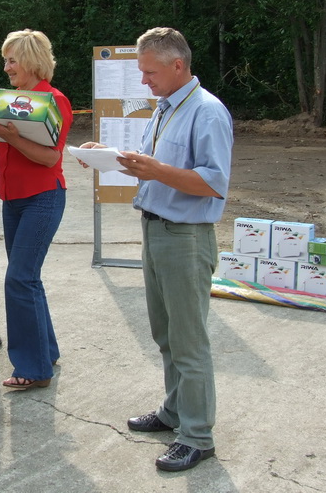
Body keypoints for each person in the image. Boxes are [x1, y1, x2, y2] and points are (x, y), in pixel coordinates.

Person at [79, 27, 233, 472]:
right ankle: (174, 411)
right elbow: (153, 166)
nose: (143, 80)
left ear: (177, 66)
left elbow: (213, 183)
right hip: (157, 232)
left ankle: (198, 436)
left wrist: (157, 170)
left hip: (186, 238)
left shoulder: (207, 112)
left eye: (150, 72)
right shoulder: (165, 108)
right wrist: (109, 155)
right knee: (165, 335)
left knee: (189, 343)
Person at [0, 29, 73, 390]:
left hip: (43, 198)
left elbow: (49, 158)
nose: (6, 67)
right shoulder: (14, 101)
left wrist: (11, 137)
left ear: (31, 61)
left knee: (19, 279)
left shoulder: (54, 101)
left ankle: (33, 369)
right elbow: (15, 156)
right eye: (6, 60)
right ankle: (45, 353)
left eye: (12, 60)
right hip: (13, 200)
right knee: (28, 279)